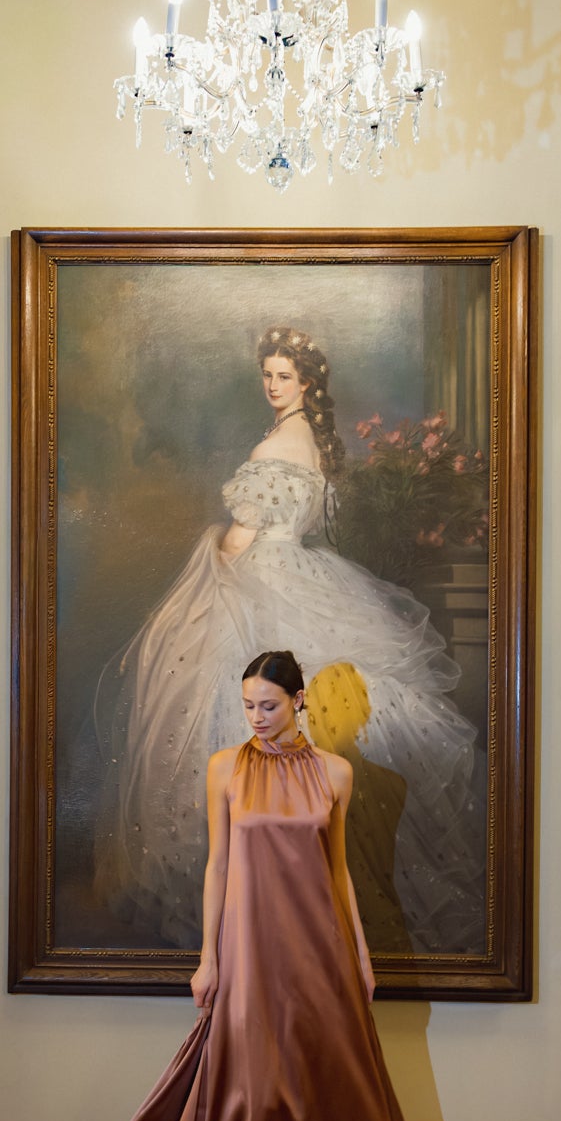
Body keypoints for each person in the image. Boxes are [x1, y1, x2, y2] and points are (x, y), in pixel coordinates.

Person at [93, 325, 480, 957]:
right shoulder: (315, 443)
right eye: (267, 375)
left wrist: (216, 555)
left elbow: (242, 534)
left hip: (266, 570)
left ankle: (259, 888)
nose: (273, 385)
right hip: (305, 566)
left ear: (306, 384)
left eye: (284, 376)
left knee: (228, 692)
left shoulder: (275, 446)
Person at [64, 650, 428, 1121]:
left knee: (307, 1091)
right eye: (247, 706)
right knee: (255, 1091)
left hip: (320, 952)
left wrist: (362, 957)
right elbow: (218, 866)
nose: (256, 717)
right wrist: (209, 958)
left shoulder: (336, 774)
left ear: (299, 702)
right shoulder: (225, 768)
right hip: (249, 949)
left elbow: (340, 871)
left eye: (268, 705)